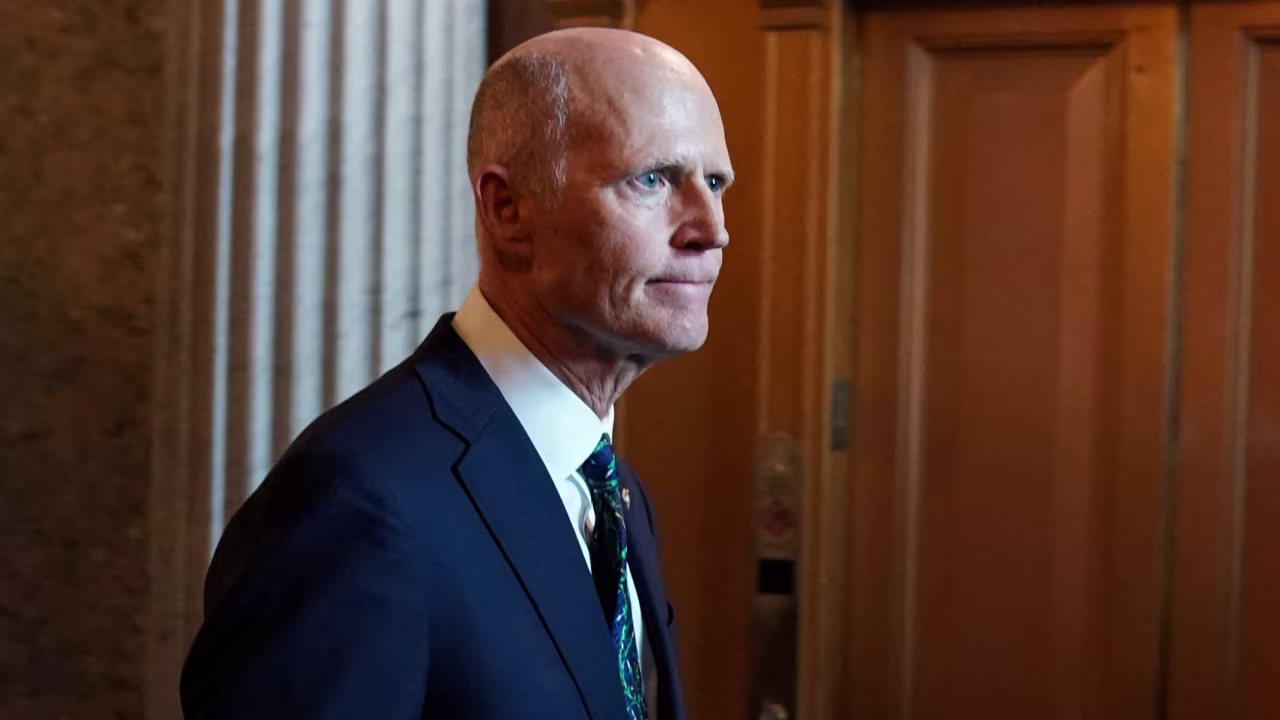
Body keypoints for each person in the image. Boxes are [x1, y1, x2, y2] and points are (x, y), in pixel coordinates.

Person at [179, 26, 733, 720]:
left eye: (715, 182)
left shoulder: (616, 493)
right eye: (652, 179)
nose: (711, 229)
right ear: (508, 209)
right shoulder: (357, 503)